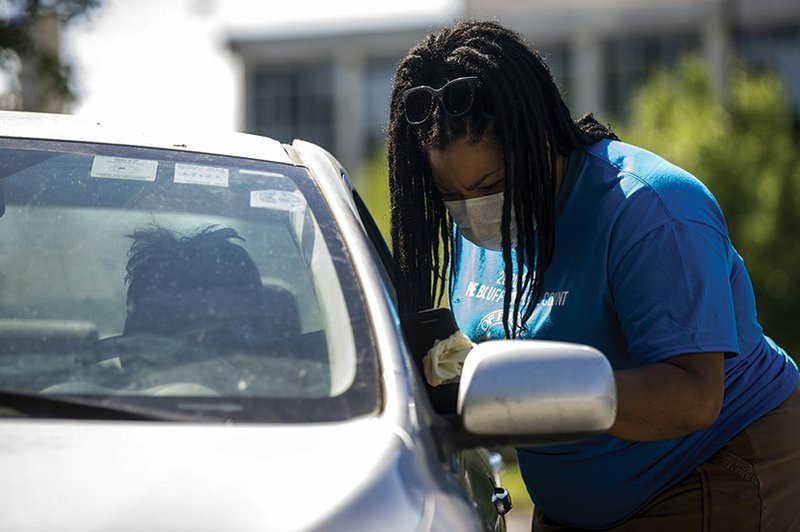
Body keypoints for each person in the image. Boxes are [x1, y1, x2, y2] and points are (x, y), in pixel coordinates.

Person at [387, 20, 800, 531]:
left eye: (491, 184)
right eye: (452, 196)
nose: (474, 209)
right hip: (578, 502)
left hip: (714, 467)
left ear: (538, 138)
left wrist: (542, 394)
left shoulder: (652, 211)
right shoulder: (476, 235)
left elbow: (694, 397)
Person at [123, 224, 270, 350]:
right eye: (158, 330)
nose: (187, 346)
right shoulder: (102, 380)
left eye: (220, 339)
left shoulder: (283, 378)